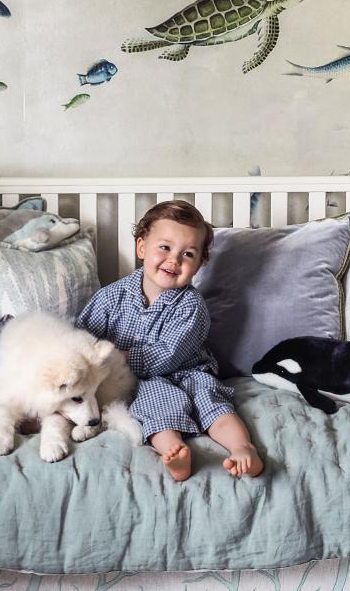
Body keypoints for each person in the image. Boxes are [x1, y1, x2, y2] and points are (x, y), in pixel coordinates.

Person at [75, 200, 264, 482]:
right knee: (154, 402)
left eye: (188, 254)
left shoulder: (191, 305)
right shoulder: (110, 297)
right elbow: (82, 337)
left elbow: (168, 355)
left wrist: (119, 358)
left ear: (199, 264)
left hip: (189, 371)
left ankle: (242, 448)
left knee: (211, 399)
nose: (174, 260)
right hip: (143, 381)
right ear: (142, 248)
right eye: (164, 247)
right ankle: (176, 453)